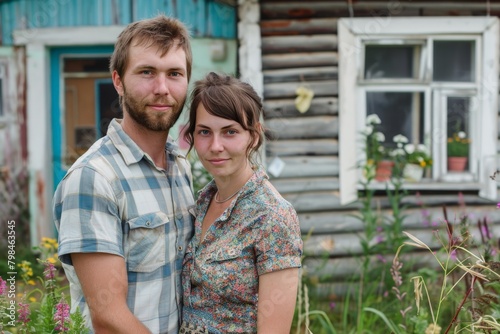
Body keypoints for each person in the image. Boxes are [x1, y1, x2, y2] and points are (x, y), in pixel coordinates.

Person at [53, 15, 195, 333]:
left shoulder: (180, 166)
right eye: (147, 72)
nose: (162, 89)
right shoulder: (94, 179)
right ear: (118, 81)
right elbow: (108, 319)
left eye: (174, 73)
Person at [180, 72, 303, 333]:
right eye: (204, 132)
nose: (215, 146)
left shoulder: (272, 215)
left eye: (230, 132)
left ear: (254, 135)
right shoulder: (202, 202)